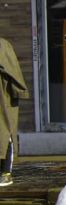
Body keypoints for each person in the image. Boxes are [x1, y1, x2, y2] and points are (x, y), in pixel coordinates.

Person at [0, 38, 29, 187]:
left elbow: (11, 69)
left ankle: (5, 173)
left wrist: (19, 90)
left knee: (5, 132)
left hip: (2, 96)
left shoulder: (2, 44)